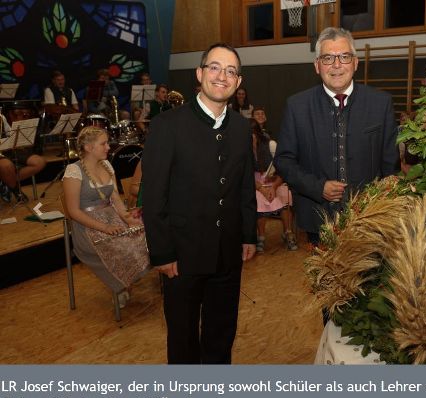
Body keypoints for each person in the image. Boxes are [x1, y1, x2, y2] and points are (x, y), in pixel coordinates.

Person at [142, 43, 257, 364]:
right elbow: (153, 196)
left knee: (221, 335)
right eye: (215, 68)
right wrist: (162, 253)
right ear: (200, 73)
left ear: (238, 81)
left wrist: (248, 234)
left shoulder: (241, 126)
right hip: (181, 258)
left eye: (230, 71)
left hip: (227, 253)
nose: (222, 76)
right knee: (183, 340)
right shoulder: (168, 126)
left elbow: (245, 186)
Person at [275, 27, 398, 246]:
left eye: (344, 56)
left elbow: (390, 167)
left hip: (370, 221)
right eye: (328, 58)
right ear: (317, 66)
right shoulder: (297, 106)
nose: (337, 65)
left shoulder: (381, 104)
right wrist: (317, 187)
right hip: (318, 221)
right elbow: (284, 161)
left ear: (356, 63)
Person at [62, 126, 150, 307]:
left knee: (145, 236)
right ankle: (120, 286)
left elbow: (115, 199)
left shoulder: (107, 165)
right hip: (87, 227)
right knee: (123, 247)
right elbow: (73, 212)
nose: (108, 147)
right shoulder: (74, 171)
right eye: (103, 143)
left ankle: (123, 284)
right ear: (88, 147)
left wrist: (127, 218)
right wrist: (105, 228)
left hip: (112, 220)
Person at [251, 118, 297, 252]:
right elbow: (245, 175)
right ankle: (261, 237)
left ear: (257, 134)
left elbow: (284, 169)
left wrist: (274, 186)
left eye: (252, 134)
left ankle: (288, 232)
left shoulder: (271, 145)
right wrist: (261, 189)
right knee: (257, 199)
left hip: (275, 180)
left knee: (285, 195)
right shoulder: (242, 151)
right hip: (255, 183)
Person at [0, 114, 46, 203]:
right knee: (6, 166)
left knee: (40, 162)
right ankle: (16, 190)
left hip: (7, 149)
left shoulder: (1, 117)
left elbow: (10, 133)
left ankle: (7, 181)